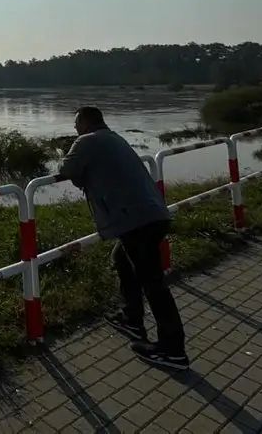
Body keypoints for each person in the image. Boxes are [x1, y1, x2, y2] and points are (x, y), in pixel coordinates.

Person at [57, 106, 189, 370]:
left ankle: (173, 350)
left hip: (135, 220)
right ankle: (132, 317)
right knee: (122, 258)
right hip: (152, 214)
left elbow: (67, 170)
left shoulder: (87, 141)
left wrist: (65, 154)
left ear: (85, 123)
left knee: (153, 284)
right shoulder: (114, 138)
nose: (74, 129)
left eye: (76, 124)